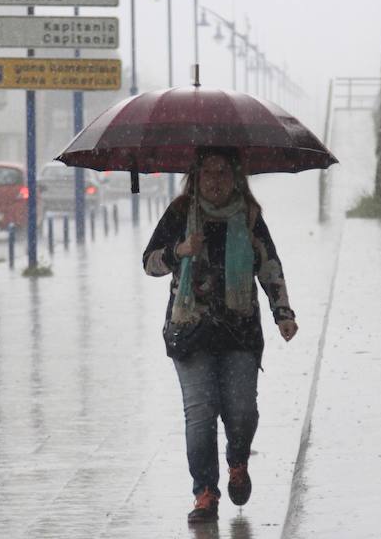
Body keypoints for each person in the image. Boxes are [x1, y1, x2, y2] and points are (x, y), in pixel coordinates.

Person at [142, 148, 298, 523]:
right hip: (190, 331)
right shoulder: (180, 215)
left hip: (239, 330)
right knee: (200, 414)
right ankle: (205, 493)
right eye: (207, 172)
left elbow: (269, 266)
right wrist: (179, 250)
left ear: (236, 178)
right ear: (194, 177)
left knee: (241, 411)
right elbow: (149, 263)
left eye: (223, 172)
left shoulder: (248, 216)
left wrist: (283, 313)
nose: (215, 180)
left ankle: (238, 460)